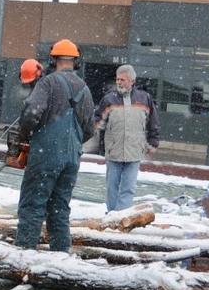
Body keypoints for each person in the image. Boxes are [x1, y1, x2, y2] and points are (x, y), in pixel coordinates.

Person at [15, 39, 94, 252]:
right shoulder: (85, 89)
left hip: (45, 155)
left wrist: (26, 138)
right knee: (59, 208)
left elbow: (32, 112)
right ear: (75, 61)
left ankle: (23, 258)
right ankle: (61, 256)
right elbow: (89, 130)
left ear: (53, 59)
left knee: (32, 205)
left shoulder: (48, 83)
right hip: (71, 158)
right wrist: (70, 144)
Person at [94, 64, 159, 212]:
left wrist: (153, 142)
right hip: (114, 150)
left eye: (122, 79)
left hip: (134, 151)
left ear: (132, 81)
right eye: (117, 79)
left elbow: (153, 122)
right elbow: (98, 122)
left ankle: (122, 215)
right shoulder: (109, 99)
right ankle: (111, 214)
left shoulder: (144, 98)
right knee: (112, 186)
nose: (119, 82)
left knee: (128, 187)